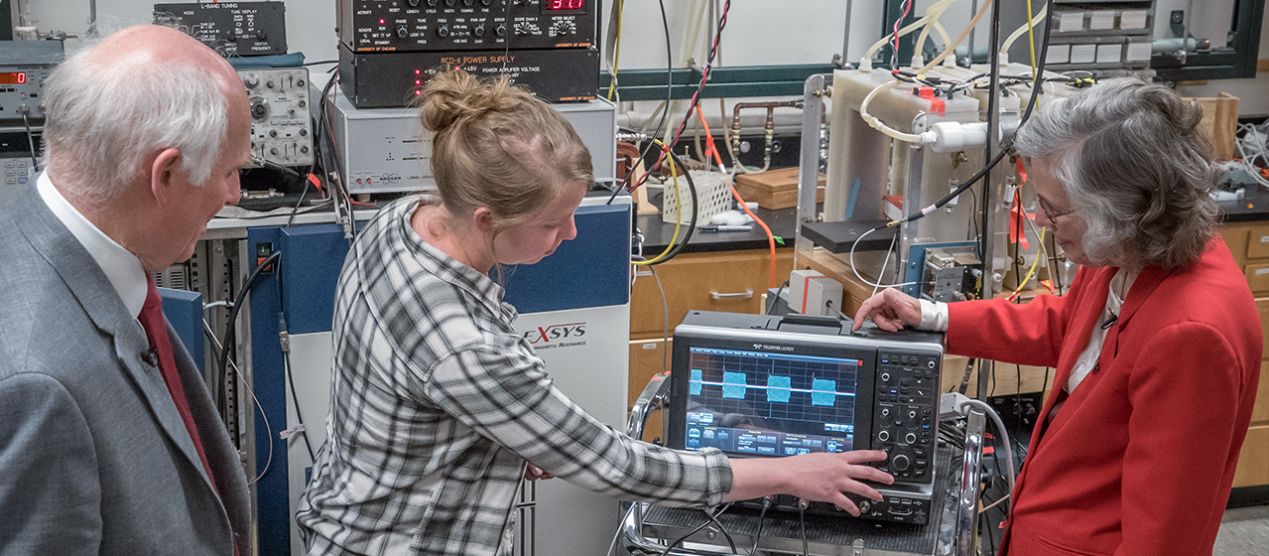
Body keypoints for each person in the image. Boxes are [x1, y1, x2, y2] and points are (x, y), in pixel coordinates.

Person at [296, 70, 894, 556]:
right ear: (486, 219)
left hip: (352, 513)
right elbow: (613, 466)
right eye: (553, 223)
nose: (573, 234)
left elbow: (423, 397)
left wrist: (513, 436)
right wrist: (791, 473)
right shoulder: (464, 345)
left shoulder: (401, 222)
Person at [853, 77, 1262, 556]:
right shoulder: (1129, 249)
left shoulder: (1192, 334)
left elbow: (1163, 540)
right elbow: (1070, 326)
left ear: (1124, 209)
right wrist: (933, 315)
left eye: (1052, 207)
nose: (1040, 219)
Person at [0, 26, 252, 555]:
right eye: (229, 171)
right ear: (164, 174)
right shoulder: (39, 387)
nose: (233, 194)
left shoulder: (37, 237)